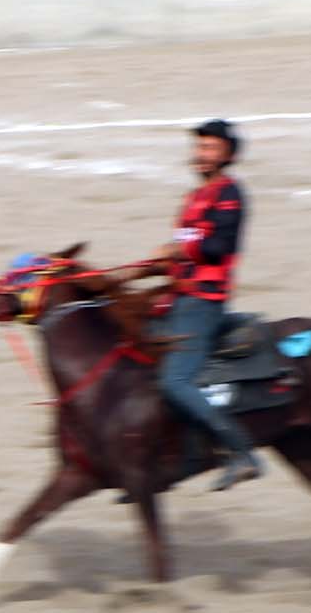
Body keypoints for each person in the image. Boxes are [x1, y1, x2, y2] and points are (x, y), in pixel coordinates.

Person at [109, 119, 263, 491]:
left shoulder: (230, 194)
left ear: (228, 155)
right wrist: (141, 271)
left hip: (203, 303)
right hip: (177, 298)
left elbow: (218, 247)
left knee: (175, 381)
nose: (201, 154)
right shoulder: (193, 199)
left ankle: (241, 452)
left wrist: (177, 249)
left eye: (210, 148)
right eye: (199, 148)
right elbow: (184, 253)